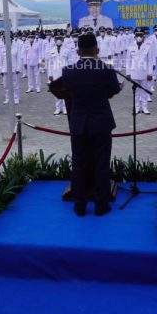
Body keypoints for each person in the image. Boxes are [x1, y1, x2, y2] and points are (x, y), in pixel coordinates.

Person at [51, 33, 121, 216]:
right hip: (101, 123)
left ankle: (79, 206)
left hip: (79, 123)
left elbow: (67, 91)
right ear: (97, 49)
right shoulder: (106, 69)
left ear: (78, 51)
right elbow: (114, 90)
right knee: (101, 164)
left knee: (79, 163)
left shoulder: (68, 71)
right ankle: (101, 205)